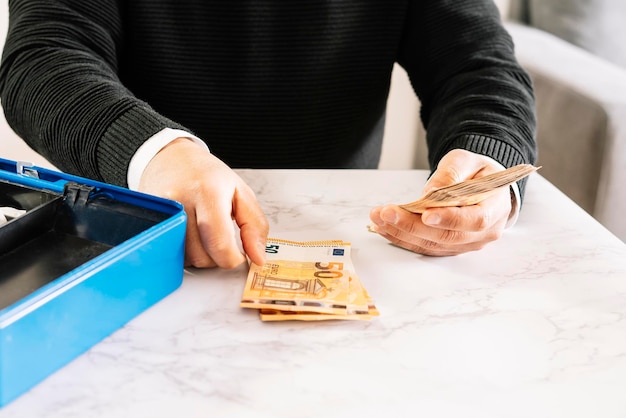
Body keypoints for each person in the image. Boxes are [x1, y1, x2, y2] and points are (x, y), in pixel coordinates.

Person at [0, 0, 537, 269]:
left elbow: (476, 64)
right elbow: (42, 57)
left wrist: (487, 159)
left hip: (343, 238)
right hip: (127, 234)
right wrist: (156, 152)